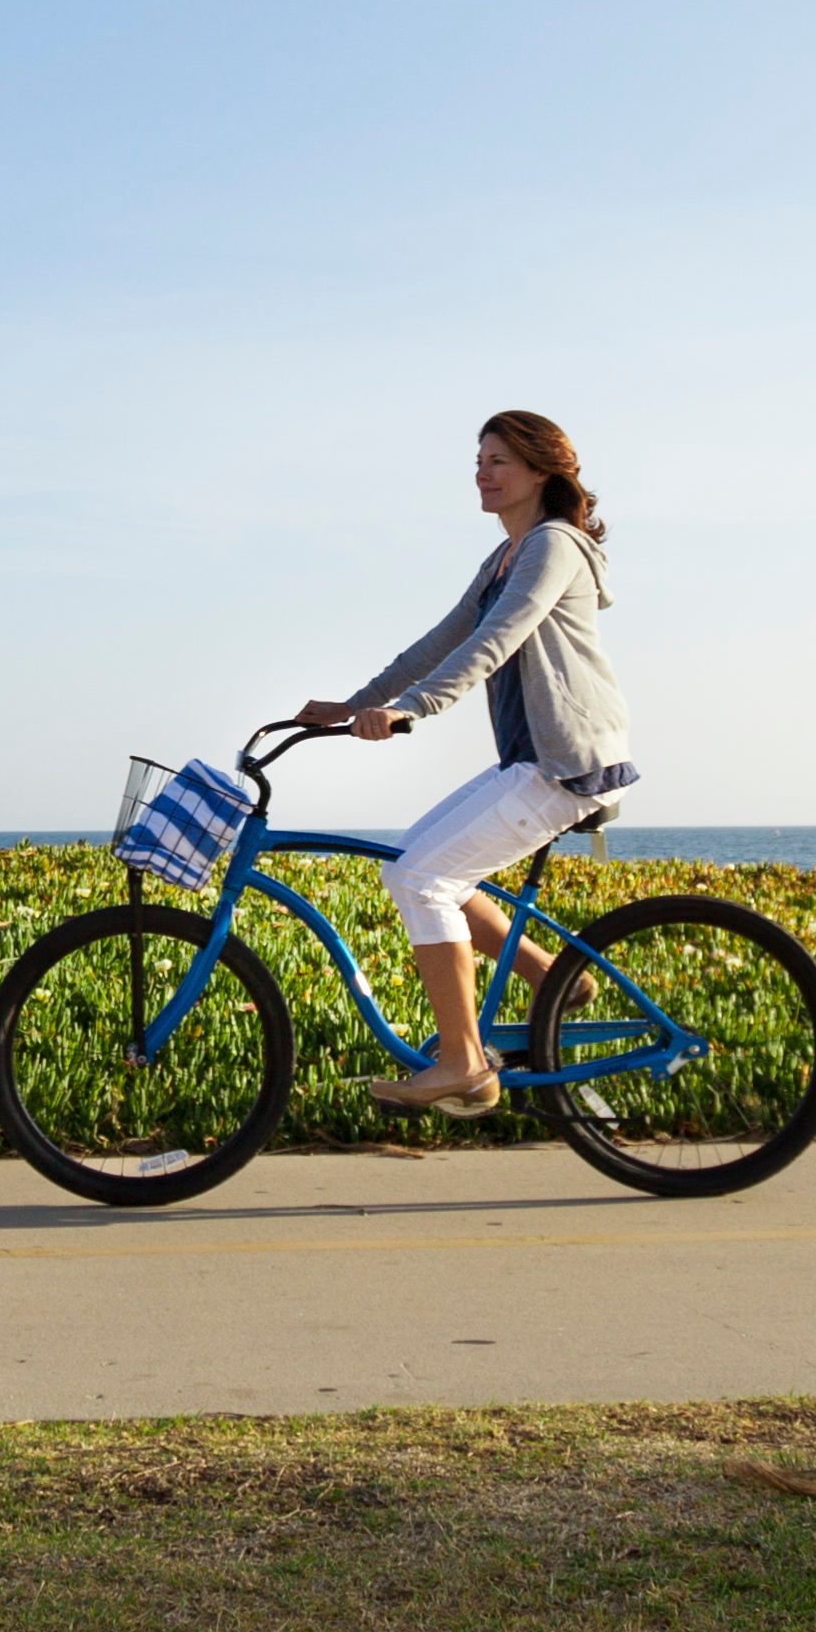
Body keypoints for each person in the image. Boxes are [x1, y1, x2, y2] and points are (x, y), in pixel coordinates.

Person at [292, 408, 636, 1116]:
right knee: (411, 863)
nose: (482, 472)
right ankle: (554, 979)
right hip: (534, 758)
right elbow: (439, 642)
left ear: (543, 470)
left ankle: (464, 1062)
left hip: (566, 760)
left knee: (425, 877)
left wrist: (413, 709)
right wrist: (353, 703)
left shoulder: (554, 547)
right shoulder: (504, 558)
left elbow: (495, 643)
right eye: (478, 459)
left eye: (498, 460)